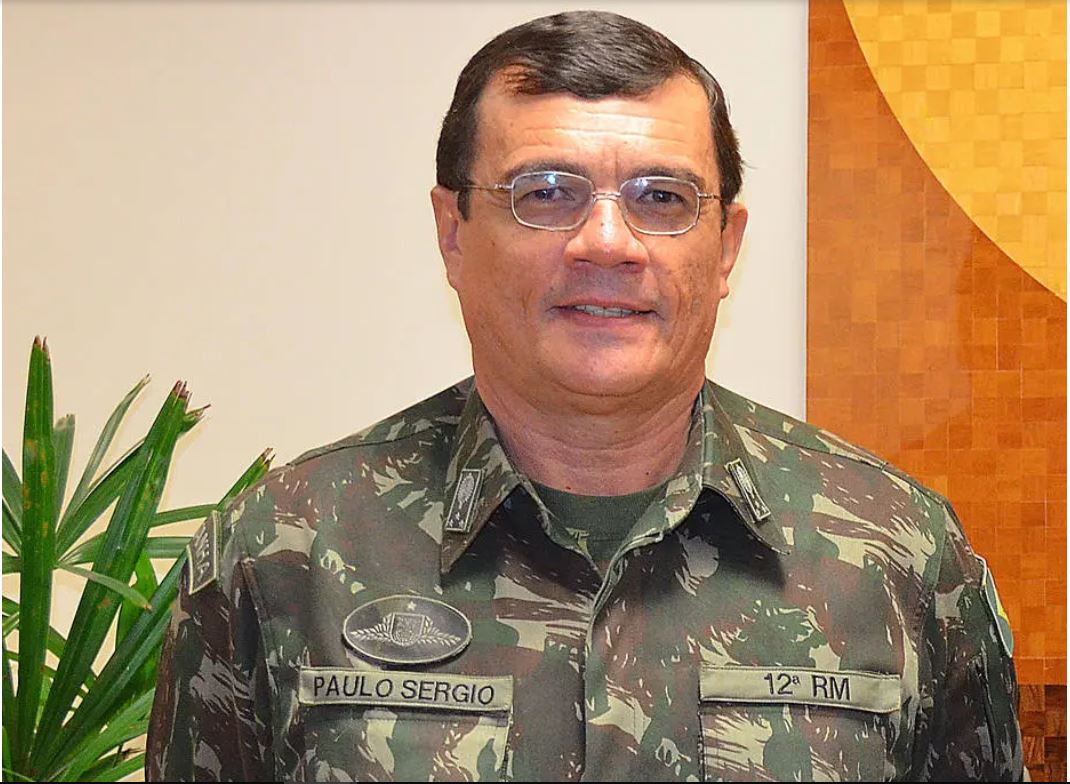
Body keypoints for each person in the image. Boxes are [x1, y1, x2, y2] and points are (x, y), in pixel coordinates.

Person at [147, 10, 1024, 782]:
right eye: (546, 193)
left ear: (725, 247)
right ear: (453, 234)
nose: (608, 242)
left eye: (662, 198)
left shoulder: (898, 556)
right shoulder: (279, 553)